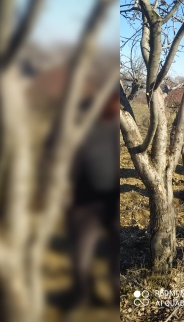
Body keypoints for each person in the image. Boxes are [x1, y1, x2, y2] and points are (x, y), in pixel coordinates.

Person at [67, 90, 120, 308]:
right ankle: (82, 293)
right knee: (82, 248)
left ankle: (115, 292)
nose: (117, 107)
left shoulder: (117, 128)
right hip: (84, 199)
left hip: (112, 199)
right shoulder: (78, 126)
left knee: (115, 246)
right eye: (113, 102)